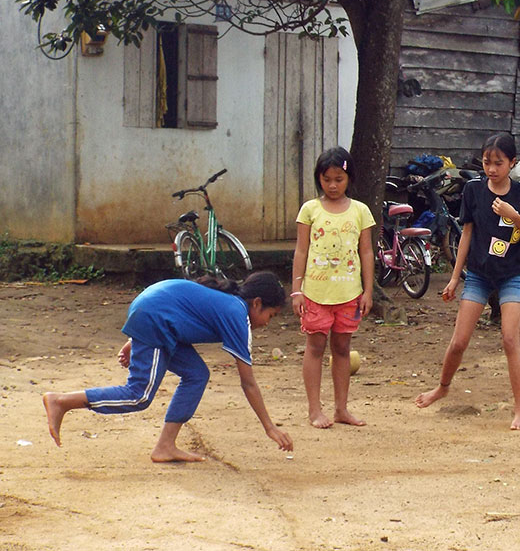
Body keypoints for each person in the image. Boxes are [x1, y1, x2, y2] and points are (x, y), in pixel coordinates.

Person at [42, 272, 293, 462]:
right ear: (257, 303)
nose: (267, 323)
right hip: (155, 318)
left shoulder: (229, 303)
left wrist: (133, 341)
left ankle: (165, 446)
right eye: (270, 316)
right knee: (139, 394)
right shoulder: (237, 314)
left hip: (156, 312)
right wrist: (269, 427)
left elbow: (182, 304)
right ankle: (62, 401)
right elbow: (248, 382)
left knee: (196, 375)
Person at [415, 133, 520, 430]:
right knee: (459, 341)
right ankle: (443, 387)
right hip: (478, 275)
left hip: (511, 275)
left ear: (513, 163)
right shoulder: (473, 191)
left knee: (510, 339)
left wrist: (514, 217)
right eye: (487, 162)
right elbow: (467, 235)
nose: (491, 169)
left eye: (498, 163)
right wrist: (454, 278)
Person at [291, 146, 375, 428]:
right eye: (327, 179)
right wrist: (296, 289)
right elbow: (301, 252)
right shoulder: (310, 210)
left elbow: (366, 253)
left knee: (342, 348)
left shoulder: (361, 211)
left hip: (349, 294)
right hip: (315, 294)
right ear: (319, 179)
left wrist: (368, 291)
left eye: (339, 179)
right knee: (314, 346)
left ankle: (341, 409)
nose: (333, 185)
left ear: (349, 178)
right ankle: (315, 410)